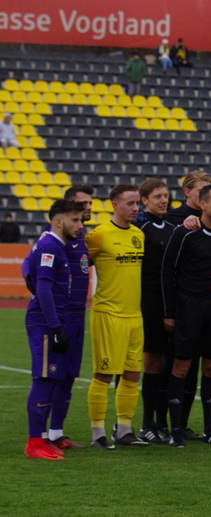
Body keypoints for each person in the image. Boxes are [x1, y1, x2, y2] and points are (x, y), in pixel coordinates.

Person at [161, 185, 211, 447]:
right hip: (188, 306)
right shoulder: (185, 232)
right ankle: (176, 430)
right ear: (203, 205)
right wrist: (169, 313)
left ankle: (210, 429)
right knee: (181, 367)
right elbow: (167, 270)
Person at [85, 184, 148, 449]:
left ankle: (124, 430)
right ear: (115, 205)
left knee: (132, 374)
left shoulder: (138, 234)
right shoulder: (99, 235)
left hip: (134, 316)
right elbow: (77, 263)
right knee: (104, 374)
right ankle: (97, 433)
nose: (135, 208)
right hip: (108, 315)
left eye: (137, 203)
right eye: (130, 203)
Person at [22, 199, 84, 460]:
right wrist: (56, 326)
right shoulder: (50, 246)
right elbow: (43, 288)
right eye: (75, 220)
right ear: (59, 221)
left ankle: (43, 439)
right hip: (46, 321)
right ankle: (35, 443)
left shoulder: (58, 246)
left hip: (53, 320)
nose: (80, 225)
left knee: (51, 378)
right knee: (45, 378)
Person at [42, 185, 94, 451]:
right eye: (83, 204)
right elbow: (32, 273)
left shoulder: (82, 236)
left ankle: (56, 433)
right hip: (61, 315)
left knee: (70, 375)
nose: (88, 208)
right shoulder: (53, 239)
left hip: (78, 314)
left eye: (90, 203)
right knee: (51, 375)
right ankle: (40, 435)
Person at [137, 178, 178, 444]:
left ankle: (161, 423)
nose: (163, 200)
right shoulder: (140, 228)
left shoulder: (173, 228)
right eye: (158, 197)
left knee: (168, 365)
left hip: (170, 303)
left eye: (165, 196)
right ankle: (144, 424)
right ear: (144, 201)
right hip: (149, 304)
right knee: (151, 363)